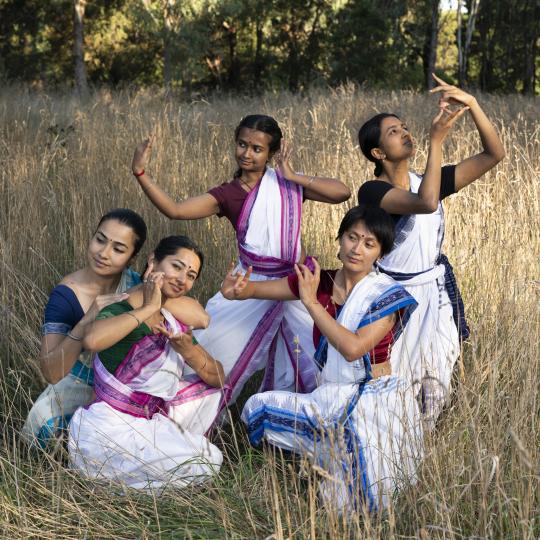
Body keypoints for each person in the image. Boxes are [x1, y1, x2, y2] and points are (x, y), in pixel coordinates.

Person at [131, 114, 351, 430]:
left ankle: (309, 428)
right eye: (242, 145)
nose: (247, 154)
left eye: (257, 149)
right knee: (214, 353)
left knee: (321, 359)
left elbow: (341, 192)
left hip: (297, 284)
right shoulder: (229, 194)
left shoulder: (286, 183)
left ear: (271, 153)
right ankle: (173, 425)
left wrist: (296, 177)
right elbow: (176, 210)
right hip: (249, 283)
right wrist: (141, 173)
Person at [221, 206, 420, 512]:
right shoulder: (317, 280)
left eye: (369, 244)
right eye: (352, 237)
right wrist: (236, 291)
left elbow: (353, 349)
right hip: (328, 398)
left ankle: (334, 456)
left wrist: (311, 303)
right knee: (256, 409)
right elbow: (251, 289)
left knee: (345, 502)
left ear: (379, 254)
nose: (357, 249)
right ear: (339, 239)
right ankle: (318, 455)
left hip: (373, 404)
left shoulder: (385, 296)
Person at [357, 74, 505, 426]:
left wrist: (472, 103)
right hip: (395, 296)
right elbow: (424, 203)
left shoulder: (430, 182)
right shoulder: (372, 192)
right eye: (394, 131)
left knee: (436, 379)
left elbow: (494, 154)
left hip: (436, 293)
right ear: (378, 152)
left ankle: (422, 450)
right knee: (394, 381)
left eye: (405, 127)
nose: (405, 132)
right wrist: (436, 140)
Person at [22, 209, 209, 448]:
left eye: (118, 249)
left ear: (133, 258)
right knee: (47, 426)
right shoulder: (66, 296)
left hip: (134, 385)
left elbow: (201, 318)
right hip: (81, 383)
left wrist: (150, 298)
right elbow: (51, 373)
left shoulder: (135, 283)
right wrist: (87, 320)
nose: (104, 253)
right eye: (100, 240)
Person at [68, 235, 224, 491]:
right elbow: (93, 339)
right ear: (153, 260)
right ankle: (115, 484)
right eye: (177, 266)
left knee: (210, 457)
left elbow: (218, 377)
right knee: (200, 464)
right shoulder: (119, 308)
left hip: (146, 425)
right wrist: (147, 306)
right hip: (105, 430)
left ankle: (125, 484)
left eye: (191, 275)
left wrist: (188, 351)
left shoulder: (172, 321)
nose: (182, 279)